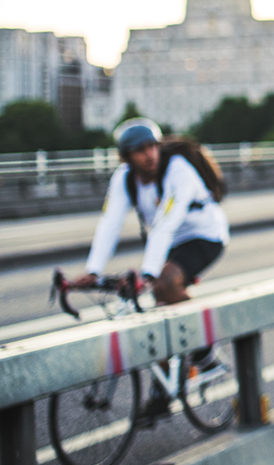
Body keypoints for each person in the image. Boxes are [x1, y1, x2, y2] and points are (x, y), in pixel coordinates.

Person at [74, 118, 231, 419]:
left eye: (152, 147)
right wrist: (93, 271)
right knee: (158, 311)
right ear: (126, 157)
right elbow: (110, 223)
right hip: (168, 242)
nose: (149, 155)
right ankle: (162, 391)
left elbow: (166, 222)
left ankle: (206, 353)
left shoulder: (178, 170)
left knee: (165, 284)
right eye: (139, 151)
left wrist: (147, 275)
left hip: (204, 235)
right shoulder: (124, 179)